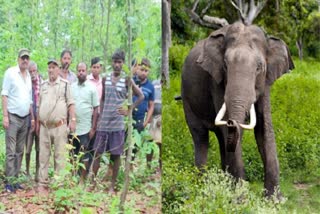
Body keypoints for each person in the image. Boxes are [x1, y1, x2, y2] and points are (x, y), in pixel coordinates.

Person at [91, 49, 144, 192]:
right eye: (115, 62)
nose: (117, 65)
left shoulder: (127, 79)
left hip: (118, 124)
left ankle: (112, 186)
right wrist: (100, 116)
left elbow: (140, 96)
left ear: (123, 63)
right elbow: (102, 99)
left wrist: (129, 109)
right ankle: (92, 184)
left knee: (116, 155)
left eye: (119, 62)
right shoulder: (105, 78)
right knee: (97, 153)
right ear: (111, 63)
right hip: (104, 123)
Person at [37, 59, 76, 195]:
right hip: (44, 127)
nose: (51, 70)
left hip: (60, 126)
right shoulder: (43, 85)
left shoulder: (65, 85)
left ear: (58, 69)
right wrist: (37, 123)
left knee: (60, 156)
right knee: (43, 156)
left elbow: (71, 103)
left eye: (53, 67)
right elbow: (39, 105)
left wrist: (73, 120)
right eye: (49, 67)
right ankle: (43, 184)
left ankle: (59, 184)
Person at [1, 48, 35, 193]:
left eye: (27, 58)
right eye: (23, 58)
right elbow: (4, 95)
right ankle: (9, 182)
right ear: (18, 59)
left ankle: (15, 181)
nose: (25, 60)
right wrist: (5, 116)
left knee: (20, 151)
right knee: (11, 150)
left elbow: (29, 100)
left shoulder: (28, 76)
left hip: (25, 118)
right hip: (13, 117)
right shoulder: (10, 73)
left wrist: (32, 118)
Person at [71, 62, 99, 184]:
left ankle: (82, 179)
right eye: (79, 70)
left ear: (86, 72)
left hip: (86, 128)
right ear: (76, 72)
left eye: (83, 70)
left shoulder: (92, 88)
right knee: (73, 153)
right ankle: (73, 177)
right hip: (73, 128)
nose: (81, 73)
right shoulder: (71, 87)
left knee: (85, 154)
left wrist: (93, 128)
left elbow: (96, 109)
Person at [131, 58, 155, 168]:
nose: (144, 72)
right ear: (137, 69)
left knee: (135, 144)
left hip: (140, 119)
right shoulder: (131, 81)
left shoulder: (150, 87)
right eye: (142, 69)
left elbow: (151, 106)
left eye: (146, 70)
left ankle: (130, 166)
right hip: (128, 118)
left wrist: (146, 122)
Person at [25, 61, 43, 181]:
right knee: (28, 148)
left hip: (40, 119)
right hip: (28, 119)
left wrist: (39, 120)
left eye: (34, 71)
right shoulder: (25, 83)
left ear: (37, 71)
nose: (32, 73)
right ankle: (27, 171)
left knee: (38, 148)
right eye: (30, 71)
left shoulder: (42, 82)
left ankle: (37, 172)